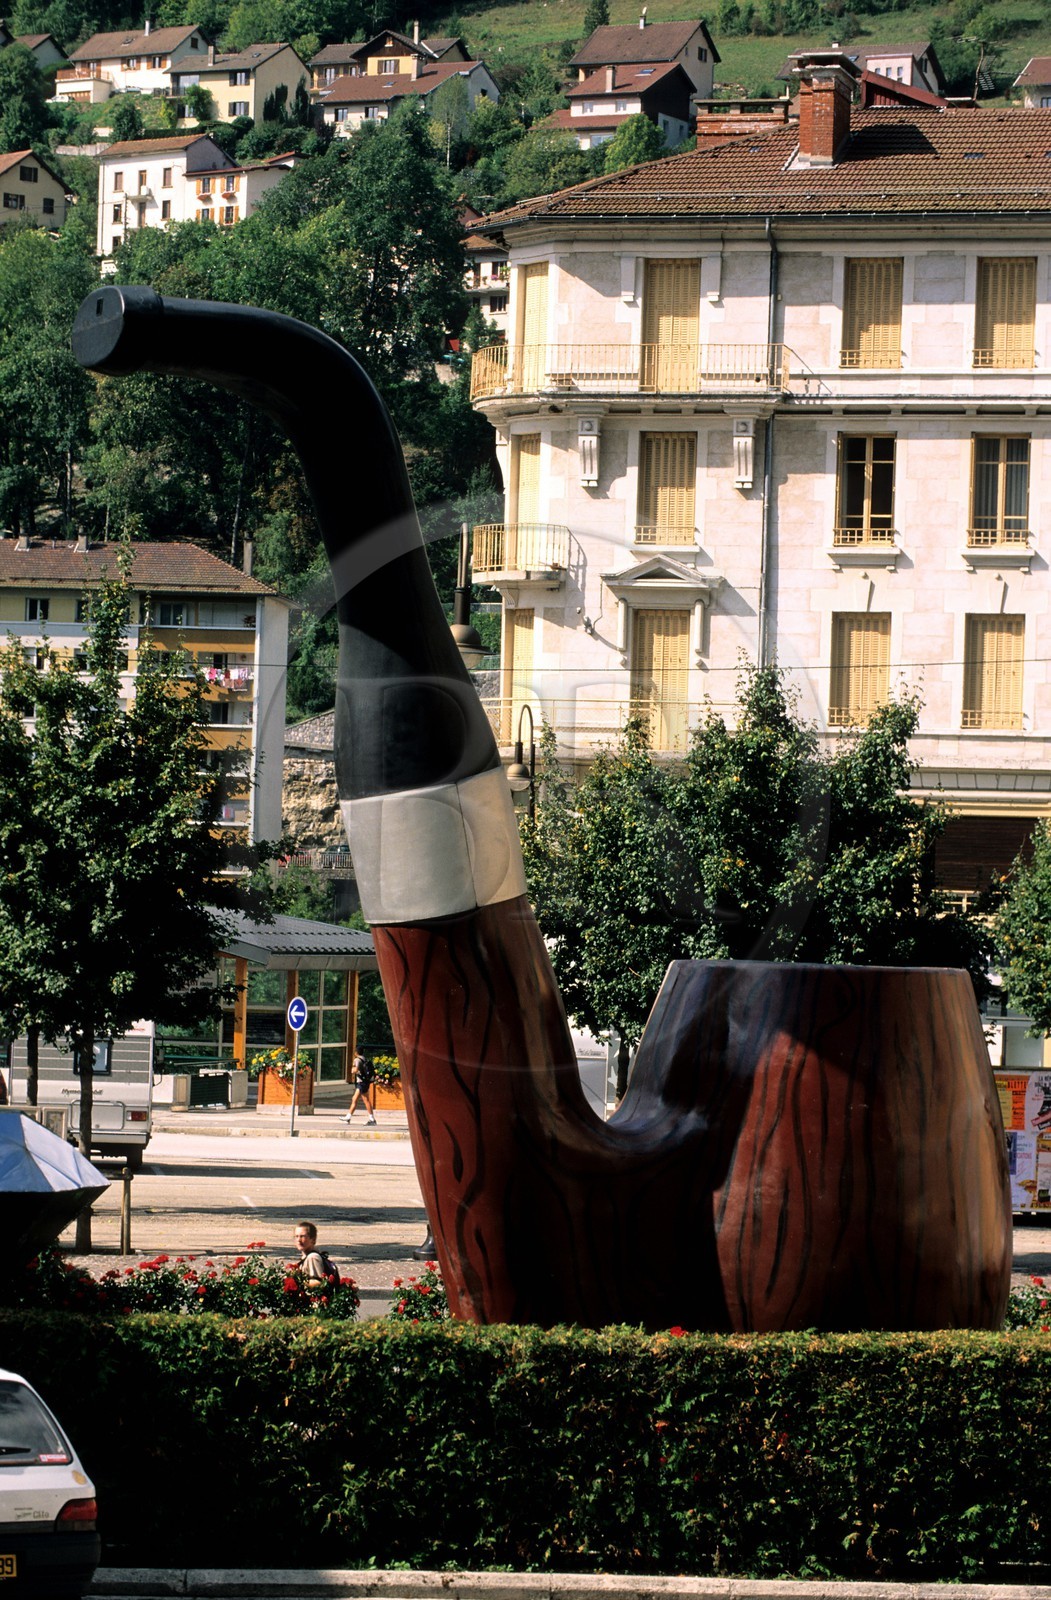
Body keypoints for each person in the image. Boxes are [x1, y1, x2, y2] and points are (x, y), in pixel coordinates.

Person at [293, 1221, 332, 1289]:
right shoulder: (306, 1256)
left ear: (313, 1239)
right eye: (296, 1236)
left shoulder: (312, 1257)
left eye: (302, 1236)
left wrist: (297, 1284)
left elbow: (318, 1283)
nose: (299, 1240)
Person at [344, 1051, 377, 1125]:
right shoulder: (365, 1059)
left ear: (356, 1052)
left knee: (366, 1100)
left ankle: (372, 1119)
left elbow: (354, 1070)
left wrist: (353, 1068)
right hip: (364, 1082)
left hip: (361, 1082)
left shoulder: (357, 1060)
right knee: (354, 1099)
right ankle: (348, 1116)